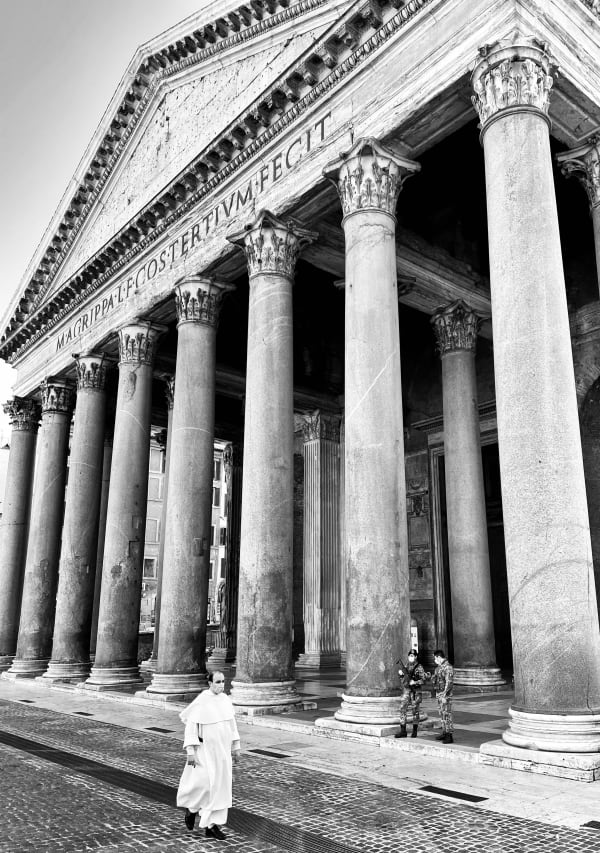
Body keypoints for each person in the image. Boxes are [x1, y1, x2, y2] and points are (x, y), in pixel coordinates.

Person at [176, 671, 241, 840]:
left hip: (223, 752)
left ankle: (212, 826)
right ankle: (191, 810)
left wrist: (236, 747)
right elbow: (190, 728)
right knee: (203, 785)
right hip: (204, 751)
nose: (221, 684)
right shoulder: (201, 701)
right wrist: (190, 752)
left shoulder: (226, 700)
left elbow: (232, 725)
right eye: (218, 681)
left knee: (220, 788)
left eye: (223, 681)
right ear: (210, 683)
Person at [395, 649, 427, 738]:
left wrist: (415, 682)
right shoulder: (406, 665)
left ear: (416, 657)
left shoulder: (419, 667)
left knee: (415, 711)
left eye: (413, 656)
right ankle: (403, 731)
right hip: (407, 691)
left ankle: (415, 730)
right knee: (402, 709)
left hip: (415, 692)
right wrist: (401, 675)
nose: (411, 657)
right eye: (410, 656)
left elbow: (424, 680)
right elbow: (404, 681)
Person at [432, 649, 454, 744]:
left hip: (445, 695)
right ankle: (444, 732)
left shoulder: (448, 667)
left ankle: (449, 735)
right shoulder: (439, 667)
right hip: (439, 694)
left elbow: (449, 682)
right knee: (442, 714)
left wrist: (445, 694)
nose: (434, 660)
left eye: (435, 658)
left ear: (439, 657)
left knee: (447, 715)